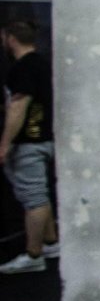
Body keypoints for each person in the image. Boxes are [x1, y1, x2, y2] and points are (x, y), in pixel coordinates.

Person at [0, 21, 59, 274]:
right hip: (44, 138)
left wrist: (4, 144)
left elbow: (18, 108)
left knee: (32, 197)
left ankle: (33, 253)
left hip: (28, 142)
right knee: (38, 194)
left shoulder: (23, 68)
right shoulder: (42, 64)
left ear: (10, 38)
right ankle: (50, 242)